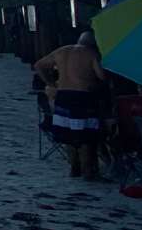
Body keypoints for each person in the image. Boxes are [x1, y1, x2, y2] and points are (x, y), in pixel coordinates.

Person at [35, 31, 107, 179]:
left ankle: (74, 167)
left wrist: (50, 83)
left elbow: (39, 65)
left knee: (68, 134)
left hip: (63, 95)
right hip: (83, 96)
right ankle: (89, 171)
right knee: (86, 136)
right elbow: (102, 76)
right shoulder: (91, 54)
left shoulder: (62, 51)